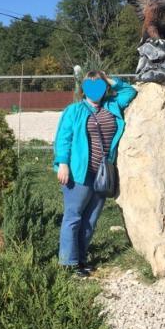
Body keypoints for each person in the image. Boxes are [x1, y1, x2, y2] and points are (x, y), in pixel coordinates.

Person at [53, 70, 137, 273]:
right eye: (90, 86)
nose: (95, 90)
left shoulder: (112, 105)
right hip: (79, 173)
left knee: (90, 220)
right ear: (84, 89)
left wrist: (107, 79)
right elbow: (63, 138)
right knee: (73, 217)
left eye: (98, 85)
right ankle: (67, 263)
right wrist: (62, 163)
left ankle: (81, 260)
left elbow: (130, 91)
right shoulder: (74, 110)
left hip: (103, 174)